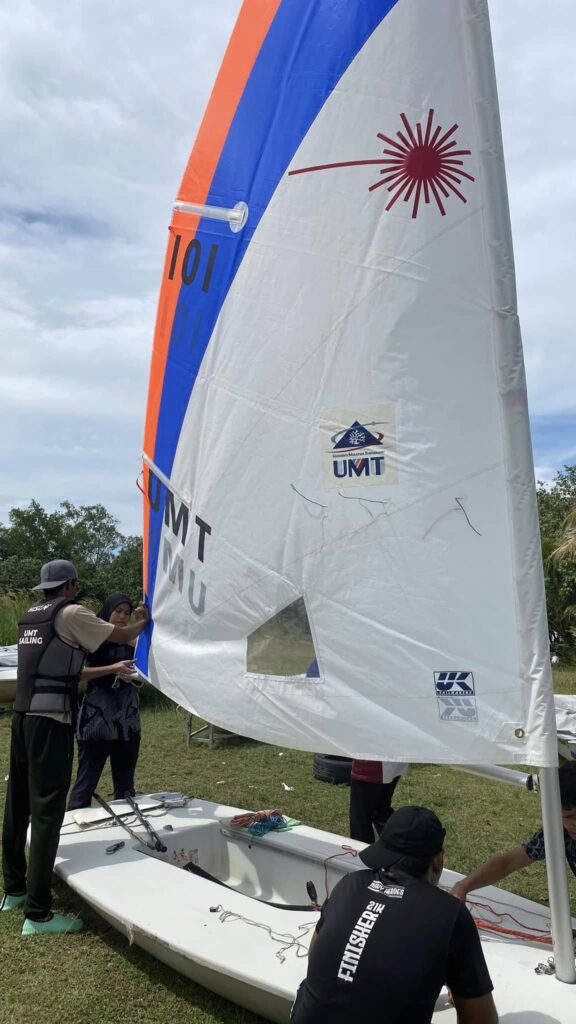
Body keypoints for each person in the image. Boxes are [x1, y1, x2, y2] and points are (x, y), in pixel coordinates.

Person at [1, 560, 149, 935]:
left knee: (17, 805)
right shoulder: (70, 613)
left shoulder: (31, 615)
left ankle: (14, 890)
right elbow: (119, 635)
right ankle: (38, 914)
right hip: (50, 722)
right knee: (47, 812)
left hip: (22, 718)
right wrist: (144, 622)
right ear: (69, 585)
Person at [290, 805, 498, 1024]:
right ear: (438, 861)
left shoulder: (349, 883)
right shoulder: (451, 914)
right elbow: (482, 1021)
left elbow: (315, 957)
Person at [305, 657, 408, 843]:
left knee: (361, 817)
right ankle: (402, 850)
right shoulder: (387, 658)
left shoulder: (354, 657)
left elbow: (314, 675)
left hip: (374, 749)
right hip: (392, 743)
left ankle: (372, 855)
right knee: (379, 809)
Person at [451, 762, 576, 903]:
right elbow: (508, 863)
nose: (574, 823)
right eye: (568, 817)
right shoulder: (557, 831)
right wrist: (463, 886)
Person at [68, 592, 144, 811]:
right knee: (86, 781)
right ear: (108, 611)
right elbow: (77, 673)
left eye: (127, 613)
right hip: (96, 719)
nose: (122, 617)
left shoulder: (132, 640)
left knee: (126, 784)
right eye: (118, 611)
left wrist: (134, 677)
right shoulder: (91, 638)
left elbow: (145, 674)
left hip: (127, 720)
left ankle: (127, 821)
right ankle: (74, 822)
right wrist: (111, 669)